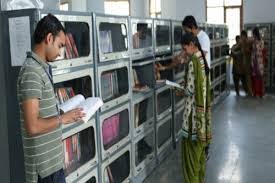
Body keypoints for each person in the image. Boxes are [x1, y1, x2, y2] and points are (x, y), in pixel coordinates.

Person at [17, 14, 85, 183]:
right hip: (44, 171)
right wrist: (63, 118)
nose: (61, 52)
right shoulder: (32, 72)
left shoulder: (40, 68)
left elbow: (42, 113)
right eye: (60, 45)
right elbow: (32, 126)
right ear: (49, 38)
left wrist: (62, 112)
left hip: (52, 165)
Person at [177, 32, 212, 183]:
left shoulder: (193, 62)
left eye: (185, 49)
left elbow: (190, 90)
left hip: (192, 117)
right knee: (199, 154)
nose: (184, 52)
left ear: (192, 45)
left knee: (190, 154)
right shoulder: (202, 59)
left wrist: (179, 90)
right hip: (202, 114)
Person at [251, 27, 265, 97]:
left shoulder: (260, 41)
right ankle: (256, 92)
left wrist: (256, 45)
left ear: (255, 34)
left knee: (259, 78)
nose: (253, 35)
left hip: (259, 61)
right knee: (255, 78)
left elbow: (261, 49)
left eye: (253, 34)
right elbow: (253, 51)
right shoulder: (253, 41)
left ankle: (260, 93)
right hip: (254, 61)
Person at [240, 30, 253, 96]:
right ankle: (248, 91)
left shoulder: (248, 42)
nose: (241, 38)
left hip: (248, 63)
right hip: (244, 63)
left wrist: (245, 49)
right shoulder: (242, 42)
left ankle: (250, 92)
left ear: (244, 36)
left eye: (242, 36)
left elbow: (249, 51)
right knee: (245, 77)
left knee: (248, 78)